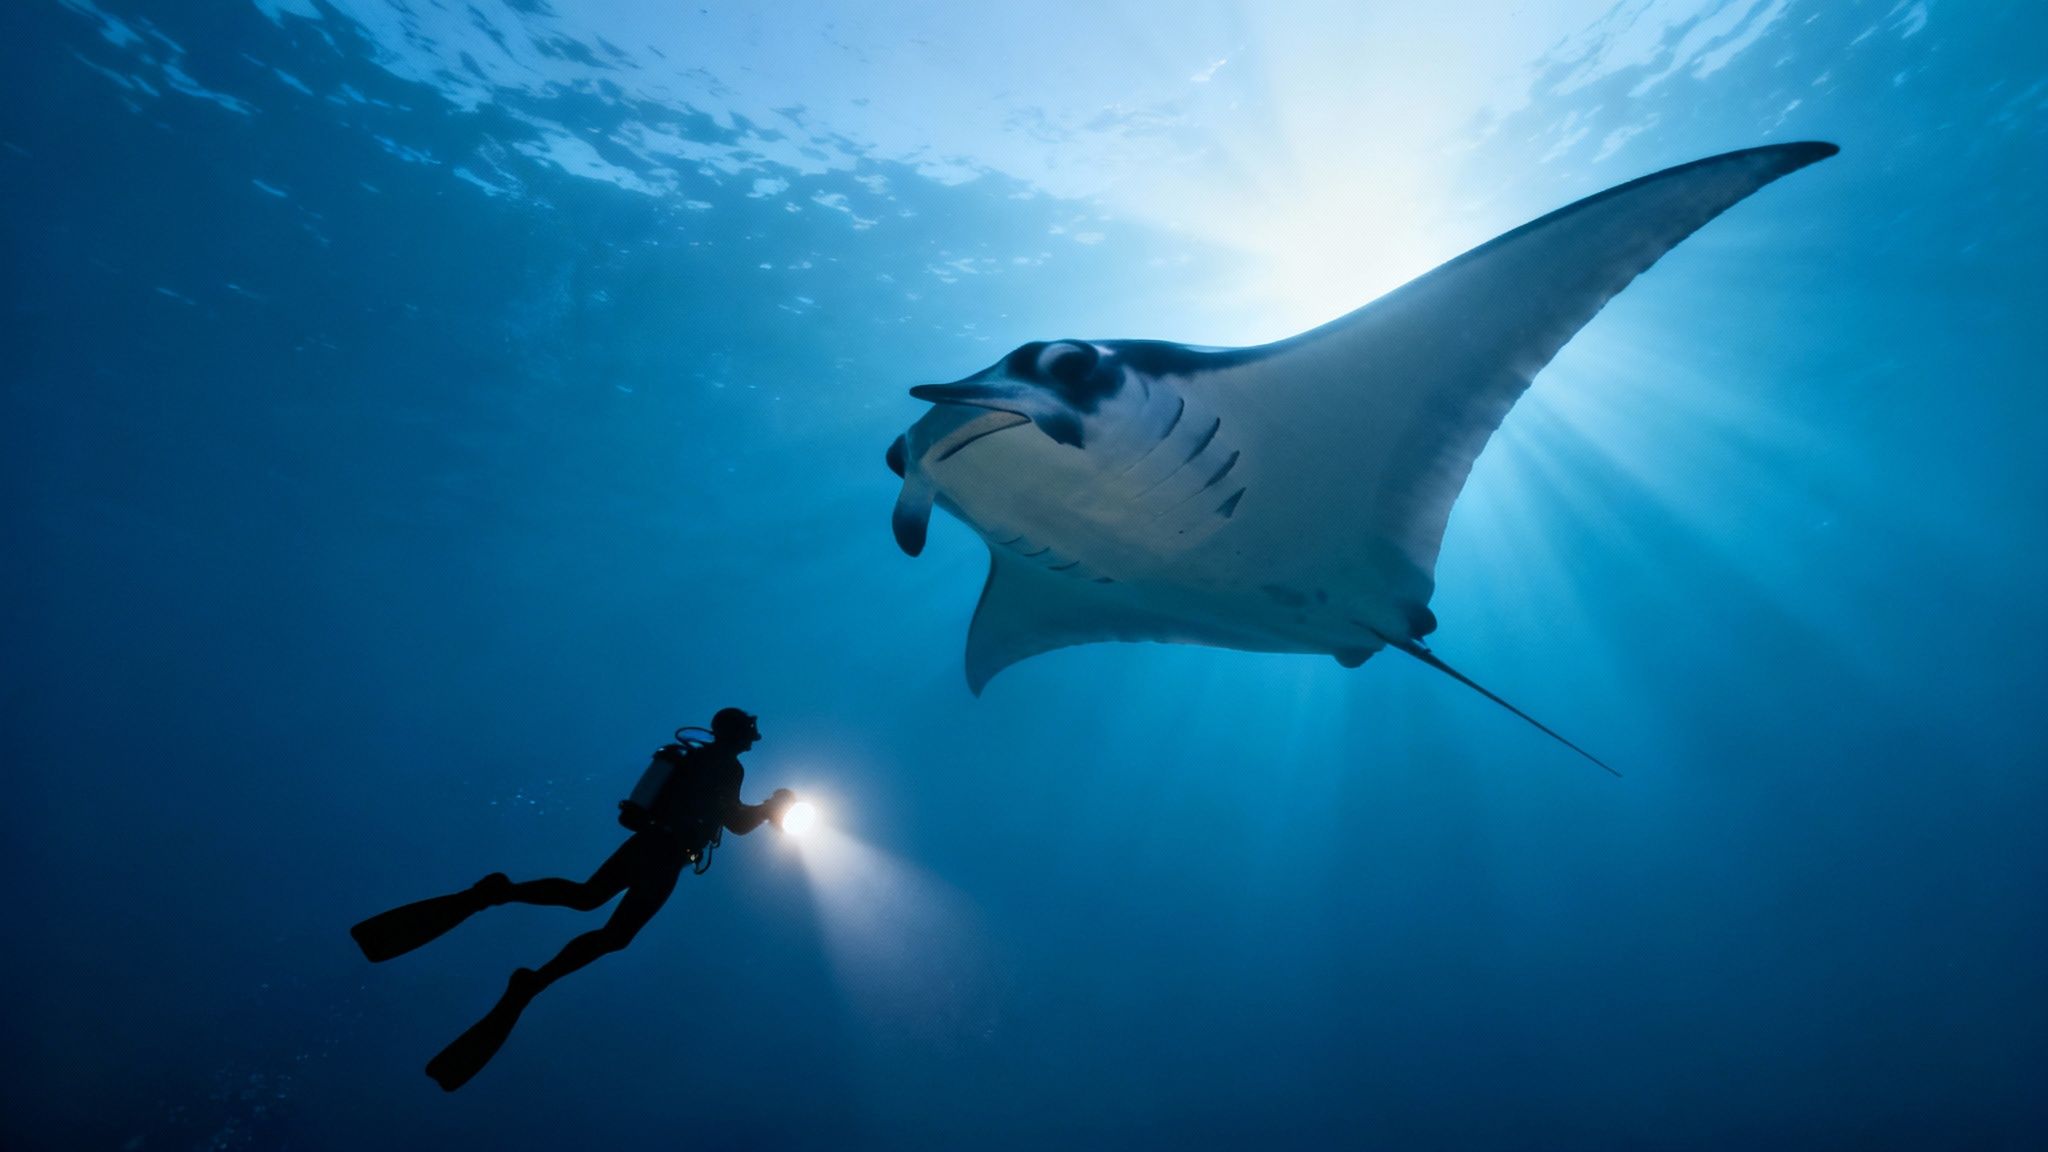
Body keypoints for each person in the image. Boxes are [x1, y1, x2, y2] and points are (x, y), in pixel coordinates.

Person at [349, 707, 794, 1090]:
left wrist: (767, 809)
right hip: (663, 850)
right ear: (735, 732)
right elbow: (735, 821)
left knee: (590, 901)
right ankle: (525, 959)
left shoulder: (704, 760)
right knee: (604, 921)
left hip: (660, 848)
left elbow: (727, 819)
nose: (755, 736)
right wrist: (775, 804)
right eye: (750, 730)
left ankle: (501, 903)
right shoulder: (726, 765)